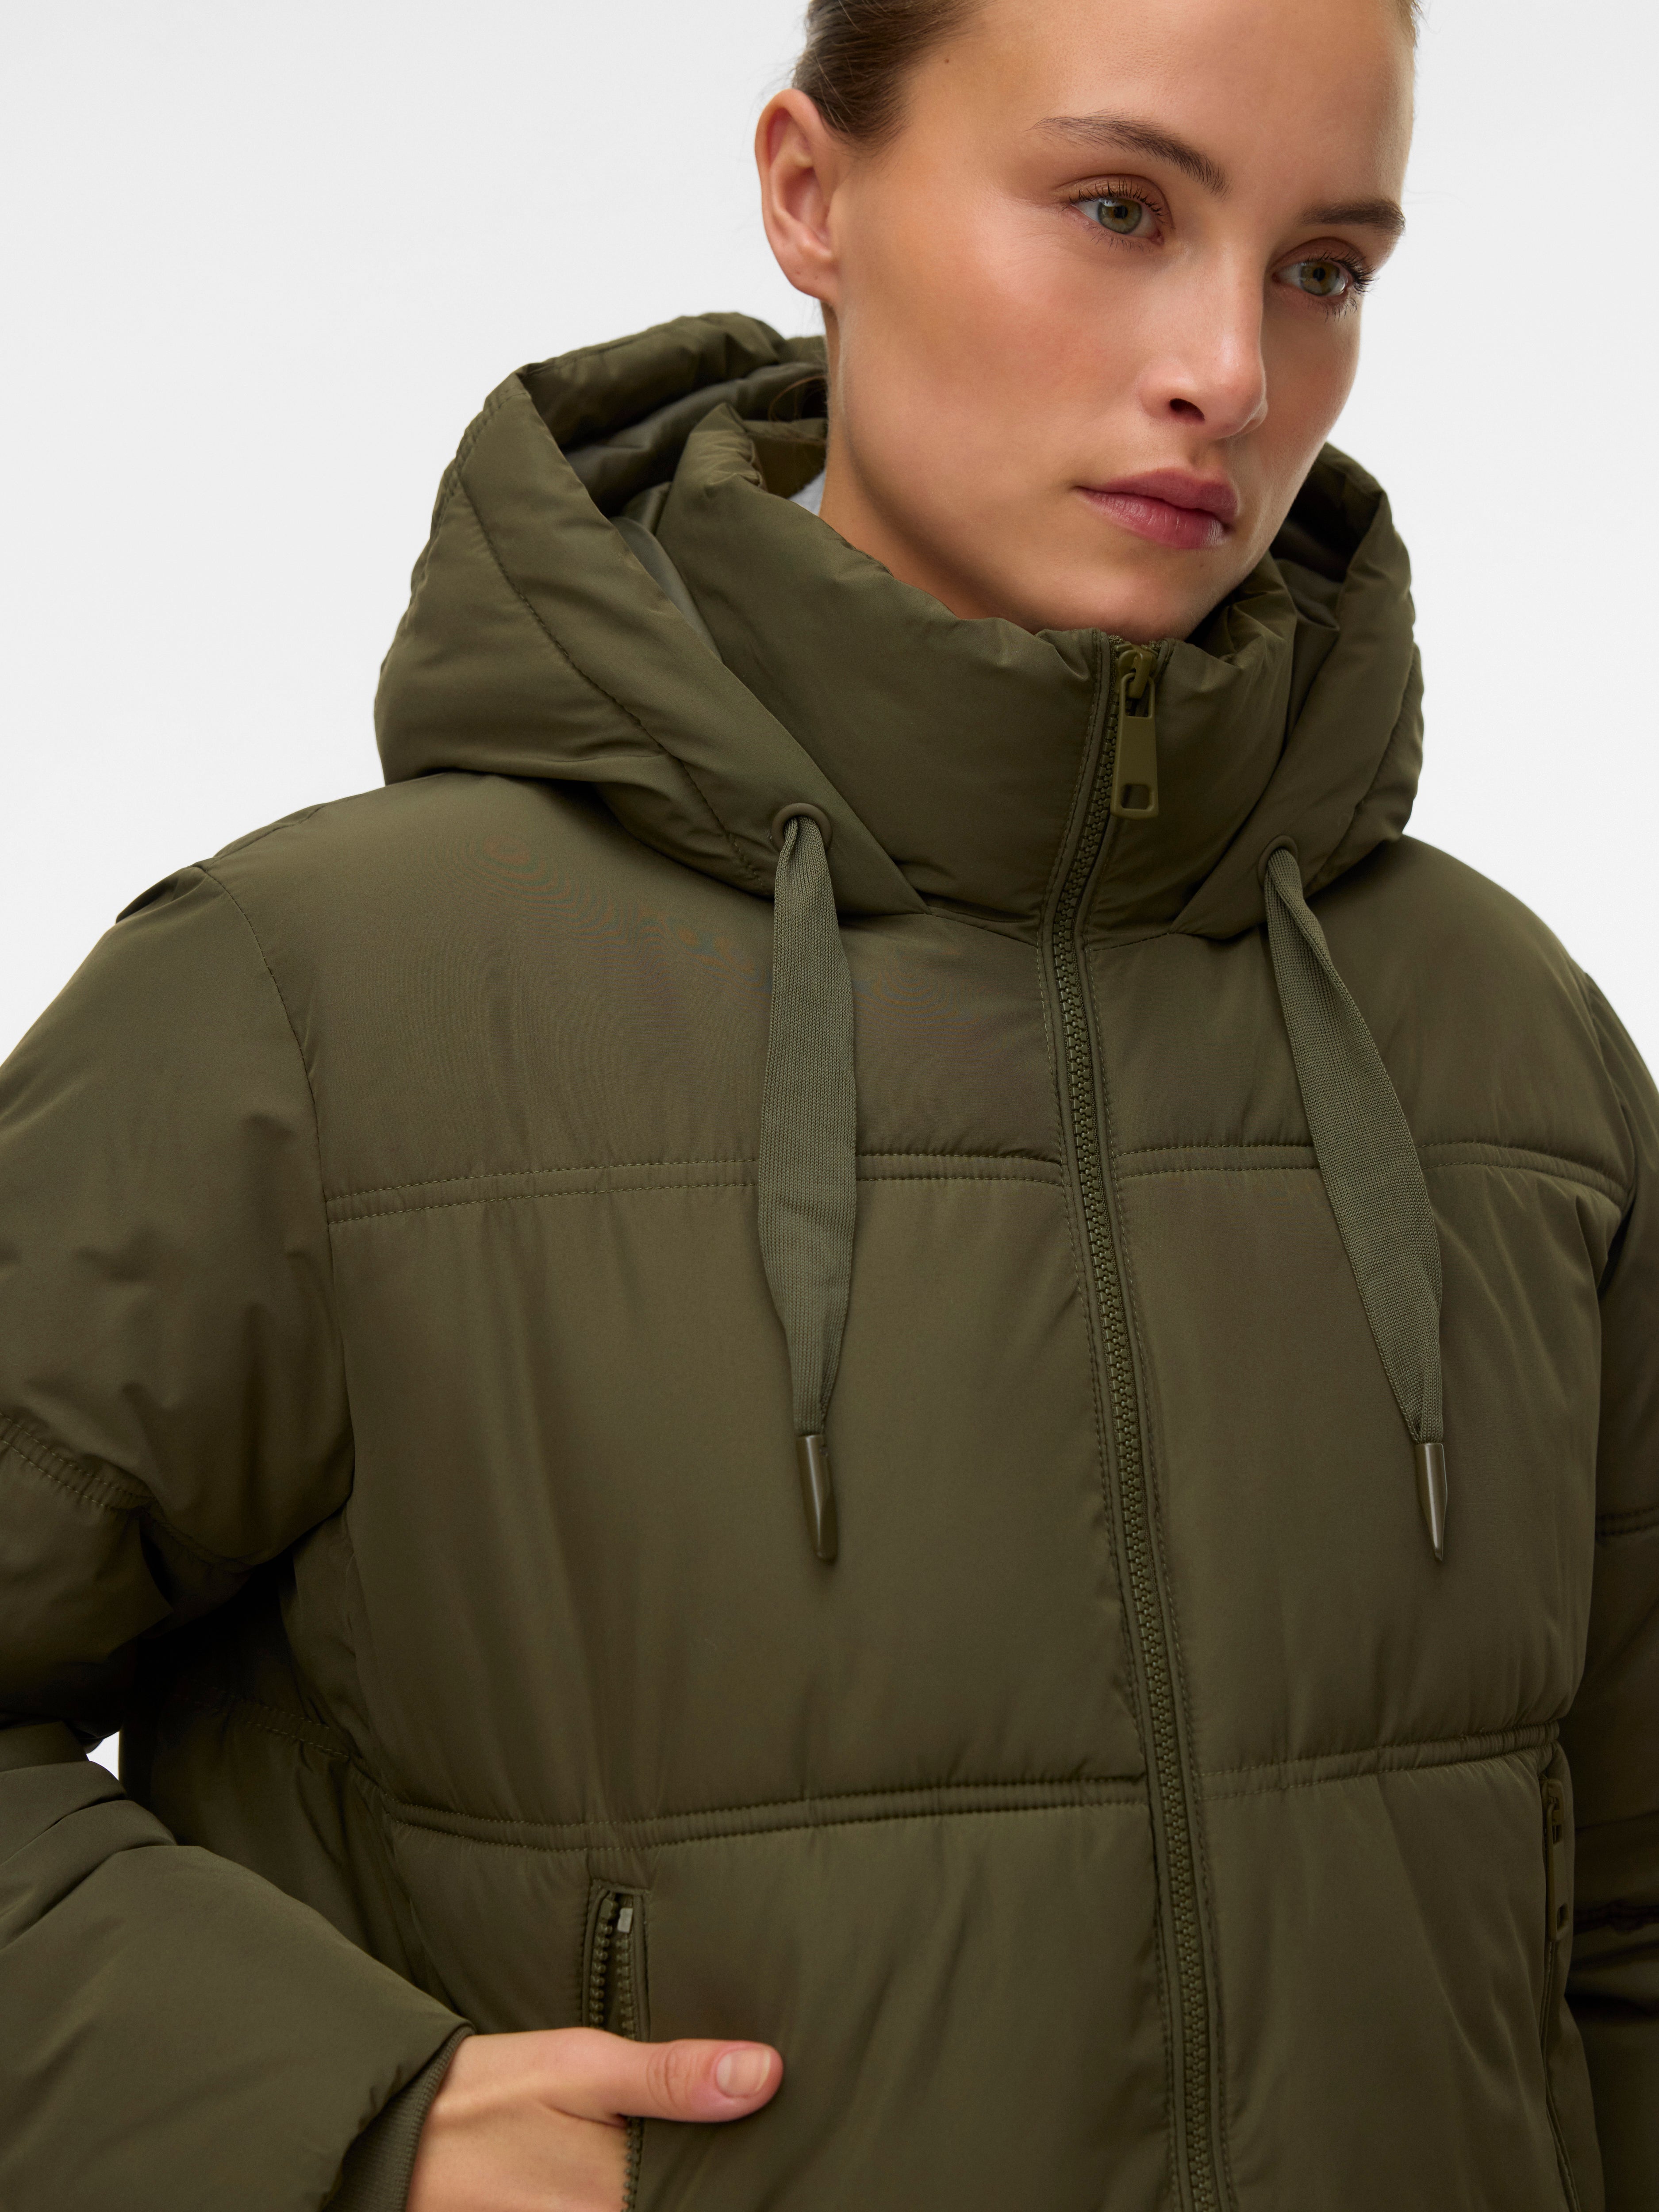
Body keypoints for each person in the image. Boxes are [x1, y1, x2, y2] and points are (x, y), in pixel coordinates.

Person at [1, 0, 1654, 2204]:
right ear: (810, 192)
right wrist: (338, 2116)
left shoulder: (1502, 1044)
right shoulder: (314, 1005)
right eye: (1115, 208)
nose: (1228, 370)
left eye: (1321, 268)